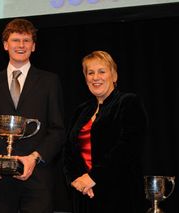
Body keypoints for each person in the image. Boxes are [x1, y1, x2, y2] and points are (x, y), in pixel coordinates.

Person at [0, 18, 65, 213]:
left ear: (33, 46)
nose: (21, 45)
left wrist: (34, 158)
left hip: (37, 179)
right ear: (5, 45)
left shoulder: (49, 81)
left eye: (26, 41)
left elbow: (58, 131)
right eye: (16, 40)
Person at [63, 50, 148, 213]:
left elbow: (128, 147)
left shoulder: (128, 102)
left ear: (114, 76)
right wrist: (75, 181)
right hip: (84, 196)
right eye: (90, 72)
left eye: (102, 71)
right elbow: (68, 151)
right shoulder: (81, 111)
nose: (96, 77)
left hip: (120, 195)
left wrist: (93, 177)